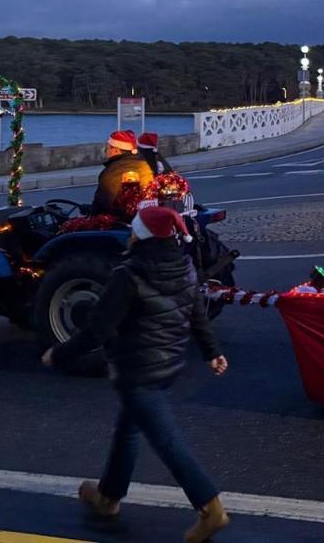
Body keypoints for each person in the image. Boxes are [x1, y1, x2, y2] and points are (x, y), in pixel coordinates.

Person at [43, 205, 230, 541]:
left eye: (134, 230)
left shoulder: (129, 275)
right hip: (169, 363)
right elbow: (196, 313)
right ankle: (108, 497)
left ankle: (210, 508)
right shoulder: (184, 265)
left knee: (166, 441)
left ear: (141, 236)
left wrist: (58, 355)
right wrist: (211, 352)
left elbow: (97, 329)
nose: (130, 234)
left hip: (137, 369)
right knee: (128, 430)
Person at [91, 130, 155, 217]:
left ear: (117, 150)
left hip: (121, 219)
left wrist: (90, 212)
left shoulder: (113, 171)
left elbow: (103, 204)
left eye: (109, 147)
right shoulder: (144, 165)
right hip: (143, 215)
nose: (106, 150)